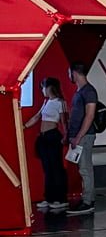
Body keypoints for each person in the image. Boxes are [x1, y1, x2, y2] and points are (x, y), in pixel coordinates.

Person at [22, 77, 69, 213]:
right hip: (43, 138)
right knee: (47, 168)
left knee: (56, 167)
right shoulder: (46, 102)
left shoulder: (60, 102)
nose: (42, 90)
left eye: (43, 87)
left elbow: (64, 121)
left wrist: (66, 136)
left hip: (53, 136)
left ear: (49, 87)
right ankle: (49, 197)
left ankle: (60, 199)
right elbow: (37, 117)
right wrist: (23, 126)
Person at [66, 62, 99, 216]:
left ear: (74, 73)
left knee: (85, 169)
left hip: (84, 136)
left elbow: (90, 116)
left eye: (70, 73)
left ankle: (88, 201)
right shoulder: (80, 91)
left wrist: (78, 137)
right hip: (78, 136)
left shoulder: (89, 91)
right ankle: (87, 199)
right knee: (83, 168)